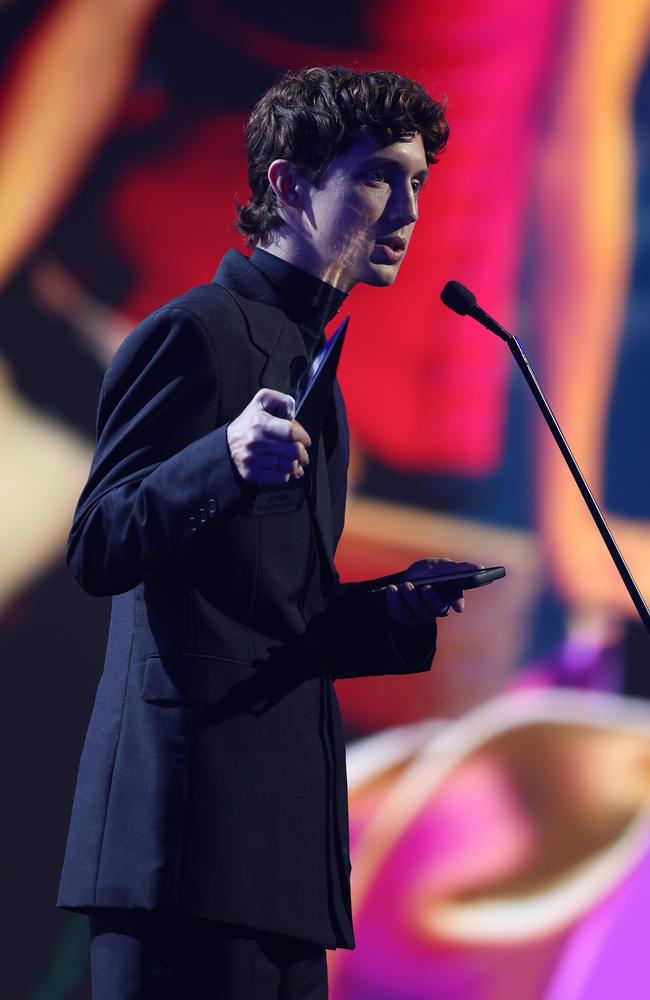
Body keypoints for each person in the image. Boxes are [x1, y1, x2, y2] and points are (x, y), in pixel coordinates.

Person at [57, 65, 479, 999]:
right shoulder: (197, 334)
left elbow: (271, 611)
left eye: (418, 181)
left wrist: (394, 610)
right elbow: (98, 543)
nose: (408, 209)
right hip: (186, 835)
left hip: (282, 847)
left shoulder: (312, 356)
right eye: (379, 176)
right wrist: (221, 457)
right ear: (288, 186)